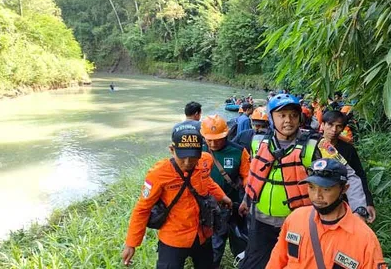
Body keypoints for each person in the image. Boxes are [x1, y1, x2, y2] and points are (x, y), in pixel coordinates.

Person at [237, 94, 367, 269]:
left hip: (299, 224)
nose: (288, 120)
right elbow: (256, 174)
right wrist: (246, 200)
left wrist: (359, 209)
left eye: (293, 115)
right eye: (282, 115)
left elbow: (349, 175)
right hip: (261, 220)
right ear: (271, 118)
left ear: (300, 117)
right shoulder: (258, 141)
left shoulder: (316, 144)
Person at [122, 122, 232, 268]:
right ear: (172, 150)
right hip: (173, 238)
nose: (187, 163)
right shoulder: (158, 174)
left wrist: (221, 196)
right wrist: (131, 243)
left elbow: (207, 181)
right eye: (183, 158)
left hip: (202, 233)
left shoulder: (205, 161)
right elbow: (143, 208)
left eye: (193, 158)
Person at [266, 159, 386, 269]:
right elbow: (277, 261)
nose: (317, 196)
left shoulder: (364, 239)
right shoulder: (296, 218)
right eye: (311, 187)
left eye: (326, 189)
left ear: (344, 189)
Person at [200, 115, 251, 269]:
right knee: (214, 244)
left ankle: (242, 262)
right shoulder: (199, 152)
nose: (213, 143)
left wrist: (247, 200)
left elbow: (248, 177)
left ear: (226, 135)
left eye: (218, 139)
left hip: (235, 206)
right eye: (209, 139)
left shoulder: (238, 151)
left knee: (240, 240)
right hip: (210, 208)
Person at [320, 110, 376, 223]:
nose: (334, 130)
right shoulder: (312, 146)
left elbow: (358, 175)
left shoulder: (348, 149)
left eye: (339, 126)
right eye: (330, 125)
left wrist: (368, 203)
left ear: (343, 128)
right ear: (323, 125)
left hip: (343, 200)